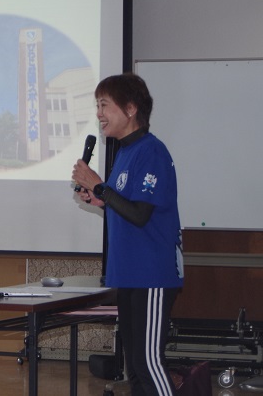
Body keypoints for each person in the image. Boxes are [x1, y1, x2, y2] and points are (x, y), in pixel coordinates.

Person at [71, 72, 183, 396]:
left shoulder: (152, 151)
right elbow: (127, 206)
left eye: (104, 105)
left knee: (149, 363)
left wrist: (99, 186)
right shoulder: (124, 153)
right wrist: (101, 199)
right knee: (134, 366)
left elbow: (140, 214)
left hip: (152, 274)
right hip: (130, 273)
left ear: (131, 109)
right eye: (97, 106)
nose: (99, 114)